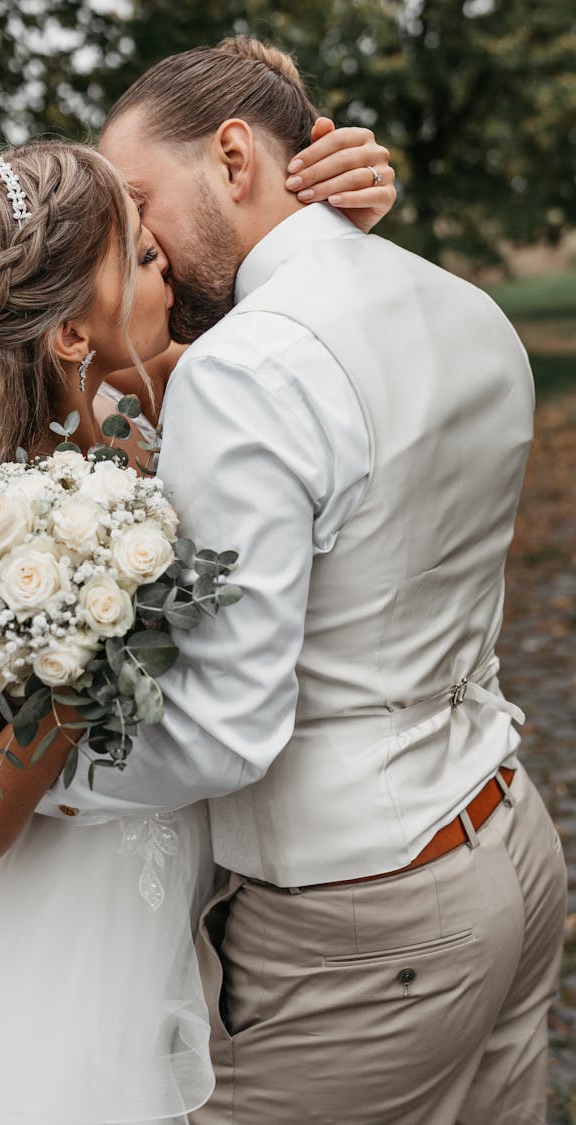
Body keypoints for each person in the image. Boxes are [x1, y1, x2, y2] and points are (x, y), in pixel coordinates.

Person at [39, 37, 569, 1125]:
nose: (139, 247)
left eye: (139, 204)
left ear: (234, 157)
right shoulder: (467, 307)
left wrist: (27, 787)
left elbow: (229, 731)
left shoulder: (250, 367)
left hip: (366, 923)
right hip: (508, 834)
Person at [0, 115, 396, 1122]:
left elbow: (298, 310)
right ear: (72, 336)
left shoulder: (183, 396)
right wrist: (74, 681)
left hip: (193, 925)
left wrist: (342, 215)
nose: (169, 264)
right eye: (139, 255)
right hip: (32, 982)